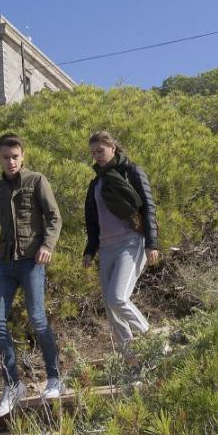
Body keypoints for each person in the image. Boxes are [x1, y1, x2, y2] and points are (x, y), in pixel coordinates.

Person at [0, 133, 64, 417]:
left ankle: (55, 377)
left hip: (32, 261)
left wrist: (47, 246)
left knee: (37, 318)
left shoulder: (36, 180)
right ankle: (13, 384)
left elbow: (54, 217)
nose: (11, 162)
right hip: (5, 264)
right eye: (5, 157)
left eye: (15, 157)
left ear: (23, 157)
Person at [81, 131, 159, 363]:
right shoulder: (95, 182)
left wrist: (152, 243)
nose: (97, 156)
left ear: (113, 148)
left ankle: (153, 340)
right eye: (94, 153)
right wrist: (89, 250)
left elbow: (149, 207)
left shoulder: (132, 171)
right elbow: (92, 221)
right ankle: (132, 361)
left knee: (117, 298)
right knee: (110, 309)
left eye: (101, 151)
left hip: (131, 241)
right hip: (106, 248)